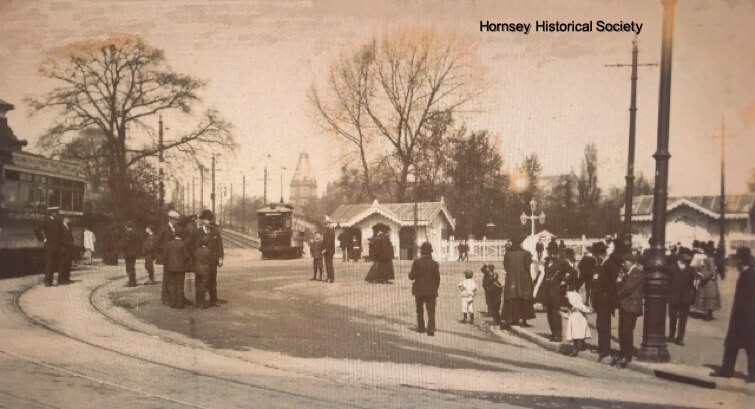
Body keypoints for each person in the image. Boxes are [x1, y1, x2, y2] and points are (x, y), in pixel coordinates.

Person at [710, 247, 755, 383]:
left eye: (737, 260)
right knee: (734, 344)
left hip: (747, 317)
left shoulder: (750, 275)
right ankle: (728, 371)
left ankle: (748, 374)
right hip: (742, 316)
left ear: (741, 260)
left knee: (749, 346)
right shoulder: (747, 273)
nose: (736, 263)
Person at [592, 241, 619, 362]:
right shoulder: (601, 265)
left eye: (596, 254)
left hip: (605, 301)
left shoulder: (609, 264)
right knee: (600, 325)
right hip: (599, 301)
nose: (595, 257)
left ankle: (605, 350)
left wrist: (606, 295)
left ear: (600, 254)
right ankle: (601, 347)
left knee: (604, 326)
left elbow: (613, 283)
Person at [500, 235, 535, 329]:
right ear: (520, 243)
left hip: (511, 279)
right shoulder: (526, 253)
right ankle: (523, 319)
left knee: (512, 298)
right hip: (523, 279)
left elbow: (506, 267)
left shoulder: (508, 254)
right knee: (524, 297)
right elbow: (529, 267)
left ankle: (512, 318)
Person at [616, 251, 644, 368]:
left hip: (631, 306)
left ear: (631, 262)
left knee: (627, 331)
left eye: (625, 261)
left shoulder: (636, 272)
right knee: (622, 331)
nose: (624, 263)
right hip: (626, 305)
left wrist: (619, 282)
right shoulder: (630, 272)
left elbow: (628, 288)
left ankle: (627, 356)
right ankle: (623, 354)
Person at [408, 242, 440, 336]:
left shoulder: (417, 262)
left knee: (419, 309)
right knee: (431, 311)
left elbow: (411, 276)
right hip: (431, 290)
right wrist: (435, 288)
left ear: (421, 251)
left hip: (419, 290)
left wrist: (410, 274)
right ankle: (431, 329)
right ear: (430, 252)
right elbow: (437, 278)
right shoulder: (435, 264)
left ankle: (421, 327)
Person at [194, 210, 224, 306]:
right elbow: (193, 246)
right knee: (200, 280)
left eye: (210, 220)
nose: (208, 222)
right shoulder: (198, 232)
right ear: (203, 221)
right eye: (206, 220)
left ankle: (213, 300)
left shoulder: (215, 231)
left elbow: (220, 246)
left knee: (212, 280)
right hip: (201, 262)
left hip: (212, 261)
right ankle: (199, 301)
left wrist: (220, 258)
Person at [667, 247, 696, 346]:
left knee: (683, 319)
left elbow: (692, 283)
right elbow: (668, 281)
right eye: (687, 255)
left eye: (689, 255)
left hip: (685, 297)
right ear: (681, 255)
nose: (689, 257)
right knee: (672, 317)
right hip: (673, 296)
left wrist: (691, 295)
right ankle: (671, 335)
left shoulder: (691, 269)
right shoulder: (671, 268)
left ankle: (680, 338)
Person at [542, 247, 569, 342]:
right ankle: (553, 333)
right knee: (549, 313)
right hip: (548, 290)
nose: (551, 255)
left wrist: (564, 281)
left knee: (555, 313)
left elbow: (572, 273)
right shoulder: (546, 263)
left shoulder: (562, 263)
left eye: (553, 253)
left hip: (557, 291)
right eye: (550, 253)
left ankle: (558, 335)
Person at [34, 207, 63, 287]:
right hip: (49, 246)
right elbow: (36, 230)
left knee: (53, 264)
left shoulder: (57, 222)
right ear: (51, 213)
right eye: (55, 212)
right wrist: (43, 239)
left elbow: (60, 233)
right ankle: (47, 282)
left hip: (57, 246)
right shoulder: (46, 221)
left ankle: (50, 281)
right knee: (49, 264)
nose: (57, 214)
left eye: (57, 212)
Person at [158, 210, 182, 305]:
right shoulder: (164, 229)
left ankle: (172, 297)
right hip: (167, 257)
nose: (177, 222)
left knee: (171, 278)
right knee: (166, 278)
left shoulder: (174, 229)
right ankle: (165, 297)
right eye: (176, 220)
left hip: (173, 257)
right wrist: (165, 251)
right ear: (171, 219)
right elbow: (157, 242)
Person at [565, 277, 592, 357]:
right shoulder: (572, 295)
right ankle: (575, 349)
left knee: (579, 331)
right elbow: (579, 306)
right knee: (576, 332)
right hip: (576, 315)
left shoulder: (574, 294)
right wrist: (588, 310)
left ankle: (580, 346)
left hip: (579, 315)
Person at [694, 242, 721, 321]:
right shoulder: (709, 259)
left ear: (707, 252)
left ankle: (709, 315)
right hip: (709, 281)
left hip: (709, 281)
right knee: (709, 297)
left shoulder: (709, 259)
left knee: (709, 297)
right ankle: (709, 314)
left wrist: (703, 276)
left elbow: (712, 271)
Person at [163, 227, 188, 309]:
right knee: (180, 286)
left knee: (172, 285)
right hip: (180, 268)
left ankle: (172, 304)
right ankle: (179, 304)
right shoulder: (183, 244)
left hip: (170, 268)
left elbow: (165, 256)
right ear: (181, 235)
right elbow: (186, 256)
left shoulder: (169, 244)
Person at [194, 235, 213, 309]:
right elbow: (211, 261)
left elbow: (195, 257)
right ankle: (202, 303)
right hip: (205, 271)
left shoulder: (197, 250)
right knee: (204, 287)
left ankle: (197, 303)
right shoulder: (208, 251)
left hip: (197, 270)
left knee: (197, 286)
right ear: (208, 243)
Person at [121, 221, 141, 287]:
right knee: (132, 267)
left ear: (127, 226)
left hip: (128, 252)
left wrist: (122, 247)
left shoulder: (127, 233)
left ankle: (131, 282)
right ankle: (133, 281)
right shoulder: (136, 233)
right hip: (134, 253)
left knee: (129, 267)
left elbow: (125, 244)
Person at [58, 216, 75, 284]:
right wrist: (67, 243)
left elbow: (71, 237)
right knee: (63, 264)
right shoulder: (61, 227)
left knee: (68, 264)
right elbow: (60, 238)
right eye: (68, 218)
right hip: (63, 248)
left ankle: (67, 278)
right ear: (64, 219)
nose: (69, 219)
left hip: (69, 248)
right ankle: (61, 279)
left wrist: (72, 244)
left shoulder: (69, 227)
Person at [323, 218, 336, 283]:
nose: (326, 225)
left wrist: (325, 249)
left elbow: (329, 241)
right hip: (327, 250)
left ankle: (331, 278)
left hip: (329, 251)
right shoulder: (328, 231)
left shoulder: (331, 231)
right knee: (328, 264)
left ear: (330, 224)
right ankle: (329, 277)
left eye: (327, 224)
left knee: (329, 264)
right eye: (325, 224)